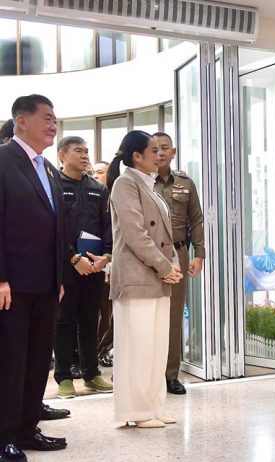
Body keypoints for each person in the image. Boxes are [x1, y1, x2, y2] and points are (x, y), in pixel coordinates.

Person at [0, 94, 68, 461]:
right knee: (11, 361)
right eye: (47, 118)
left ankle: (27, 430)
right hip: (13, 285)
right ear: (21, 121)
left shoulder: (48, 169)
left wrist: (59, 278)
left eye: (56, 119)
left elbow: (57, 228)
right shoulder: (3, 161)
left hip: (46, 284)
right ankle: (4, 437)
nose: (53, 125)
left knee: (39, 360)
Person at [107, 130, 183, 428]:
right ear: (137, 156)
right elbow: (135, 234)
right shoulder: (125, 183)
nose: (159, 155)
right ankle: (137, 412)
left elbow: (165, 235)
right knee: (137, 347)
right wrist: (165, 266)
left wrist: (172, 265)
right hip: (136, 277)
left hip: (158, 277)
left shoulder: (148, 184)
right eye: (153, 151)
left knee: (155, 347)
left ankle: (153, 405)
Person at [53, 136, 113, 399]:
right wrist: (73, 259)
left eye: (86, 151)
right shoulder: (54, 185)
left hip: (94, 265)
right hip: (66, 266)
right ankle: (64, 377)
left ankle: (91, 374)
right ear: (62, 155)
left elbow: (107, 225)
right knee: (64, 322)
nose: (85, 155)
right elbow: (53, 228)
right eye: (78, 151)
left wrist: (106, 256)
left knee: (90, 321)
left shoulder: (97, 188)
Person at [153, 132, 205, 395]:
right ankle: (145, 375)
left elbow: (196, 219)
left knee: (173, 316)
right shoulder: (142, 182)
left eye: (165, 148)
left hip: (178, 253)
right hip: (149, 256)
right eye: (155, 149)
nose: (160, 153)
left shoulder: (185, 183)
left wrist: (199, 254)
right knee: (147, 314)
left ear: (173, 152)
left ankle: (170, 375)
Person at [92, 161, 114, 367]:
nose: (95, 176)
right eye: (94, 172)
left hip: (111, 261)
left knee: (109, 313)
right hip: (92, 262)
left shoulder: (116, 196)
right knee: (96, 312)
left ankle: (102, 350)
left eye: (100, 172)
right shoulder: (92, 197)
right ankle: (92, 352)